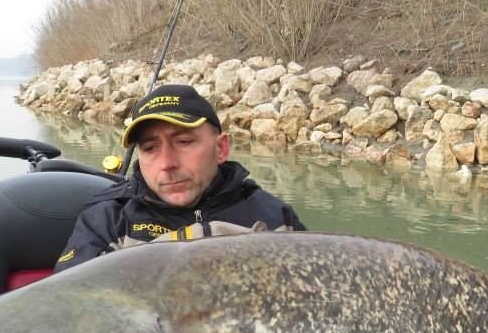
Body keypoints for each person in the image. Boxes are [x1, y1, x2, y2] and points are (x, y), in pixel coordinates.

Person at [54, 84, 305, 272]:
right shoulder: (107, 218)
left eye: (184, 142)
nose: (167, 163)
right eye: (150, 148)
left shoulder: (275, 216)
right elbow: (69, 304)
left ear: (221, 148)